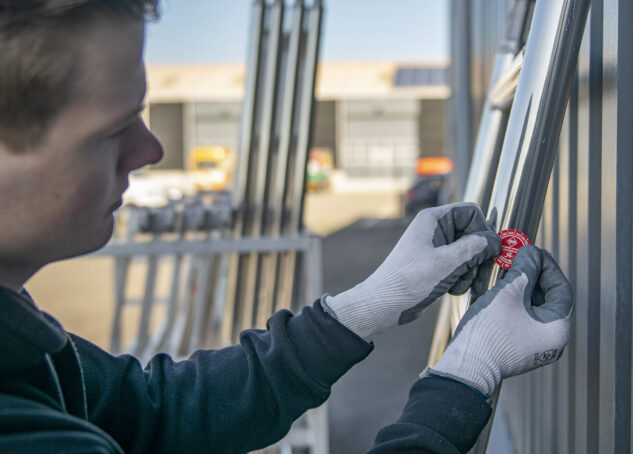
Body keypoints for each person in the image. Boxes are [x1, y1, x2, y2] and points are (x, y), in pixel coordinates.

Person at [0, 1, 573, 453]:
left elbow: (154, 413)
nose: (152, 149)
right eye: (114, 129)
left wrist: (363, 306)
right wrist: (465, 379)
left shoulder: (23, 353)